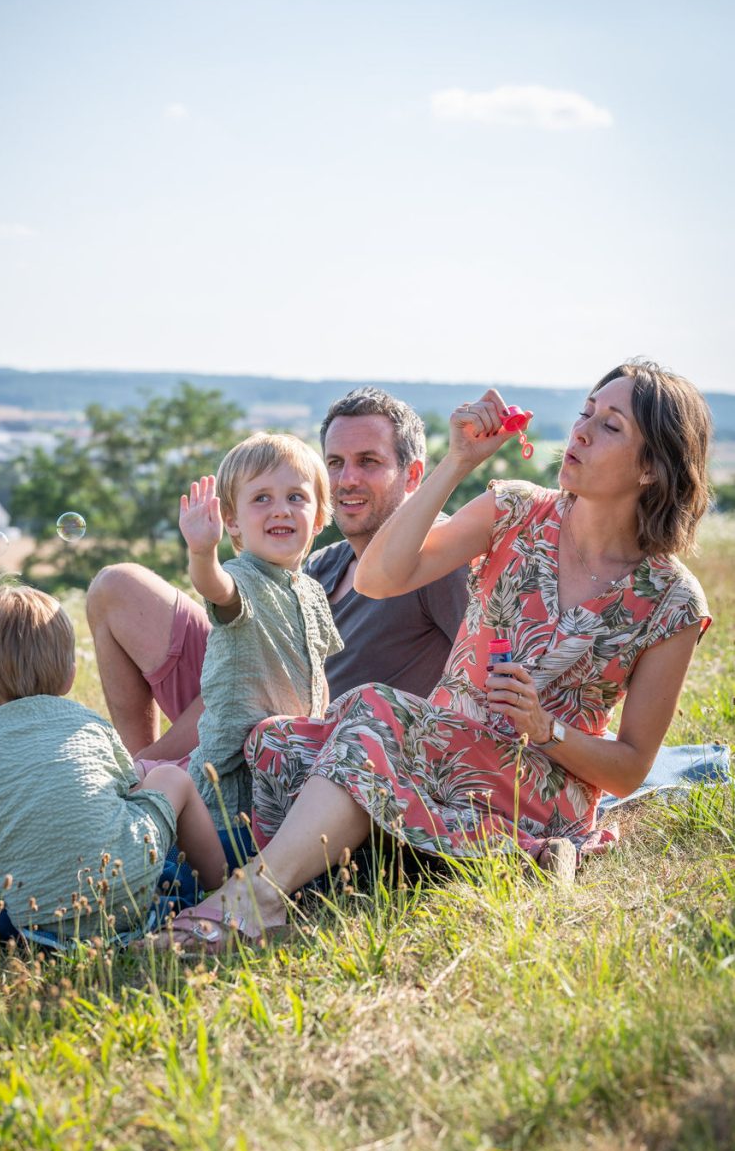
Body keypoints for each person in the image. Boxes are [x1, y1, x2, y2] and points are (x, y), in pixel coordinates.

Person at [150, 360, 713, 950]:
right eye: (584, 414)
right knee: (277, 741)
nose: (581, 432)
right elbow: (380, 577)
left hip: (536, 787)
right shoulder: (516, 511)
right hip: (432, 749)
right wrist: (459, 462)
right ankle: (315, 877)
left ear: (652, 466)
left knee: (368, 710)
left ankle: (256, 899)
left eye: (611, 426)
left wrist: (545, 729)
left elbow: (629, 769)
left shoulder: (670, 601)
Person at [86, 387, 469, 764]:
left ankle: (147, 775)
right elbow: (243, 667)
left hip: (315, 757)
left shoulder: (437, 559)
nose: (347, 479)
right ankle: (141, 779)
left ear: (414, 475)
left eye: (368, 461)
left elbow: (484, 681)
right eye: (335, 463)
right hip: (244, 711)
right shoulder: (322, 565)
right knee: (117, 586)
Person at [0, 579, 225, 938]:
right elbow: (129, 793)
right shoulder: (88, 723)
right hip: (127, 890)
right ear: (70, 676)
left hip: (36, 917)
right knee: (170, 778)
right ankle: (218, 883)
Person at [175, 432, 341, 825]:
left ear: (318, 518)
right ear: (231, 521)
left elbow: (319, 671)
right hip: (234, 774)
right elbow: (216, 587)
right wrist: (202, 552)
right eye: (261, 498)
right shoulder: (241, 577)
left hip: (293, 762)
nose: (281, 510)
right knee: (226, 855)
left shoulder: (314, 591)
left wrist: (325, 726)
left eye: (296, 497)